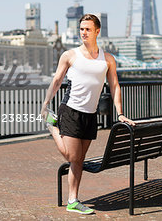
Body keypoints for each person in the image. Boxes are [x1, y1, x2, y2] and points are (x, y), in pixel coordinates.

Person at [40, 14, 135, 215]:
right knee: (71, 155)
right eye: (81, 29)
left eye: (88, 29)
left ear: (97, 31)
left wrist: (120, 113)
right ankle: (53, 126)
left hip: (90, 115)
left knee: (79, 160)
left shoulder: (107, 59)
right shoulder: (70, 55)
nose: (84, 32)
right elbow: (57, 80)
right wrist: (46, 103)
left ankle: (73, 200)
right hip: (71, 110)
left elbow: (115, 86)